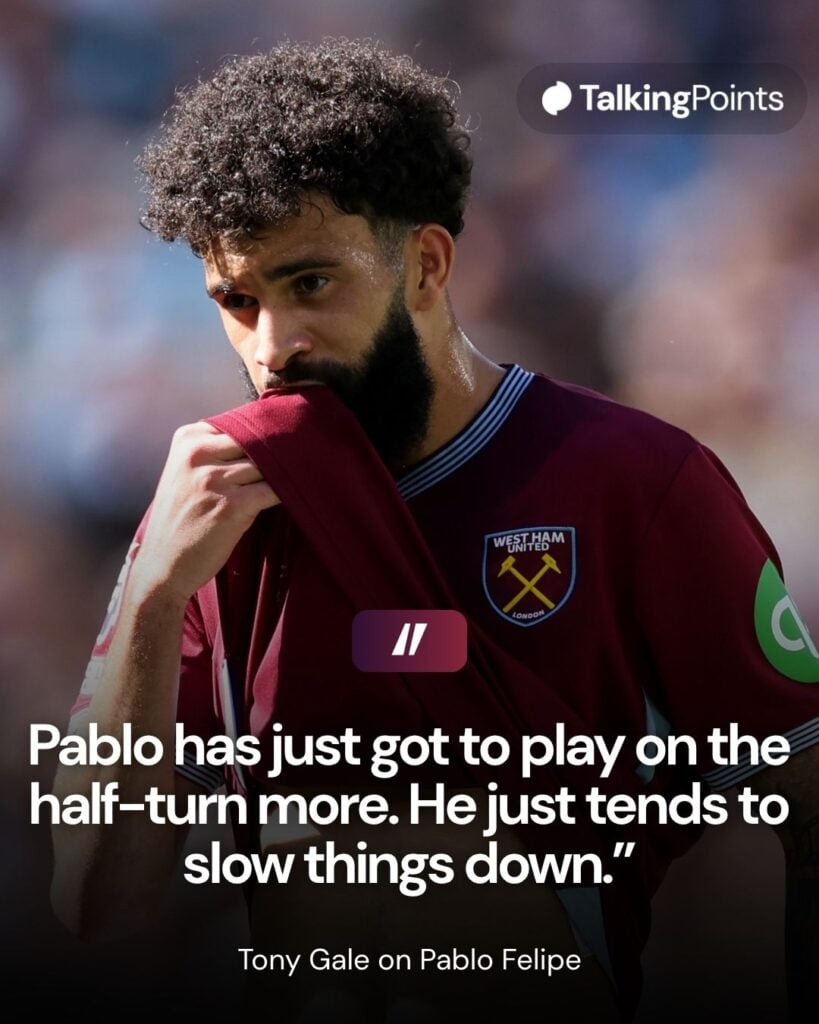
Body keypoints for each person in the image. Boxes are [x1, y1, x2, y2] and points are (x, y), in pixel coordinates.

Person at [50, 38, 819, 1023]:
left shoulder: (635, 482)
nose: (273, 346)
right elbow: (96, 904)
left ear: (425, 263)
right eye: (238, 302)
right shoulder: (211, 518)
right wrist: (155, 593)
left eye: (311, 284)